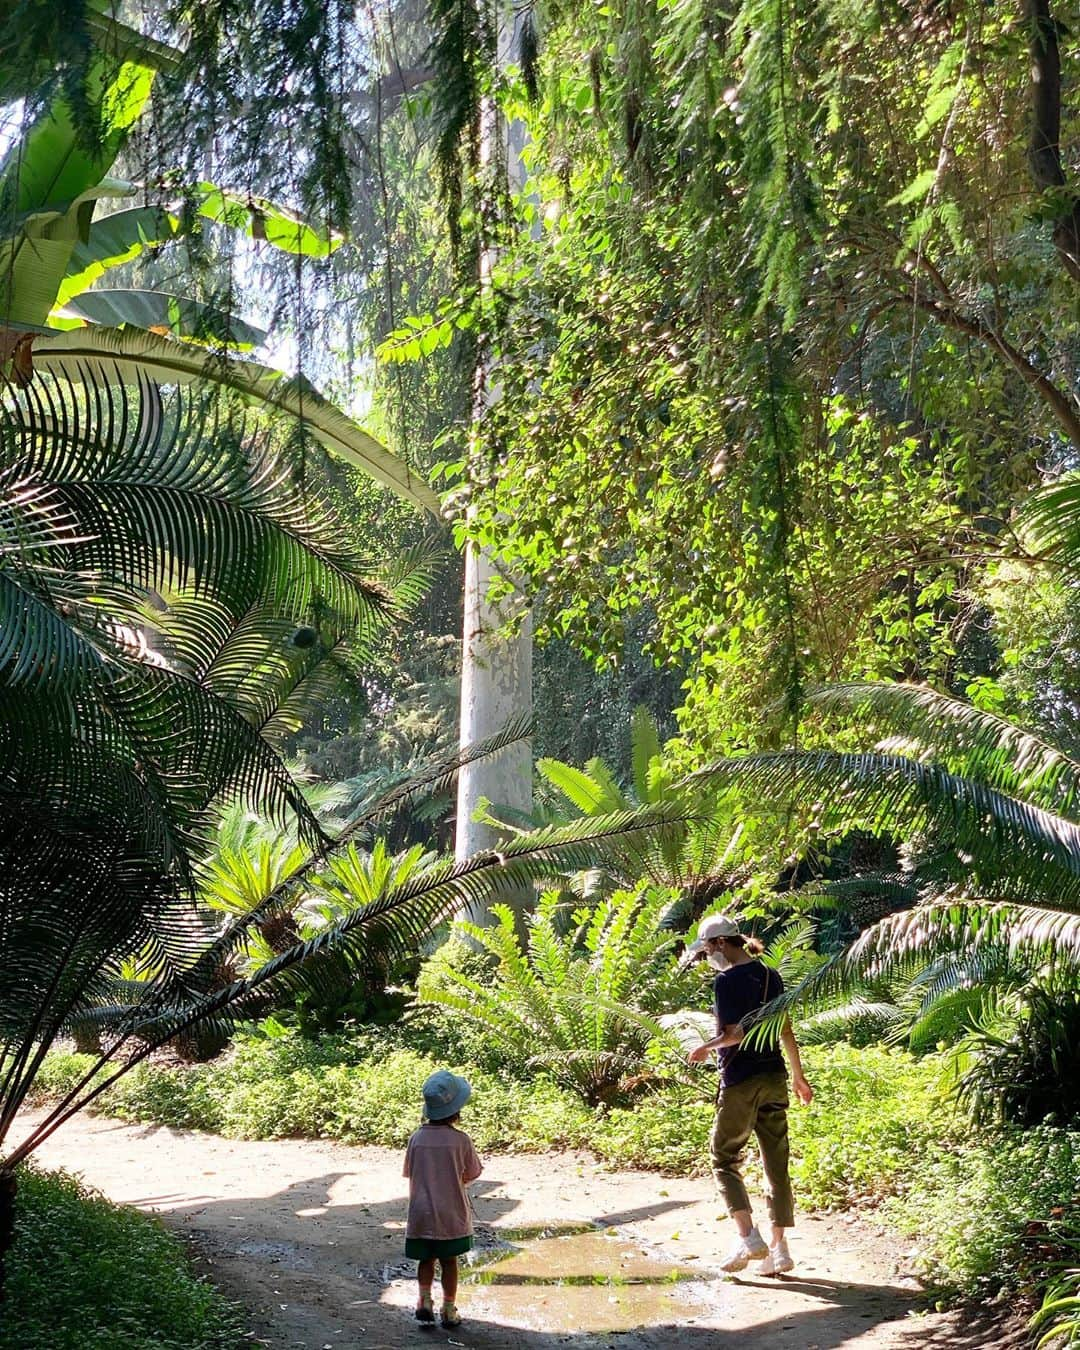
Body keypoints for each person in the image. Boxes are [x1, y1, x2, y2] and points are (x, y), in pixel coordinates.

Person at [686, 914, 813, 1276]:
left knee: (723, 1158)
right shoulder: (771, 975)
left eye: (708, 949)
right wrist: (799, 1077)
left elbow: (735, 1033)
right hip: (774, 1075)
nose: (707, 956)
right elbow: (784, 1028)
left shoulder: (726, 981)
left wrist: (705, 1047)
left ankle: (749, 1238)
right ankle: (780, 1250)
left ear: (722, 944)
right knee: (776, 1163)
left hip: (741, 1079)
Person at [403, 1069, 484, 1328]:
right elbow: (472, 1173)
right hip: (451, 1213)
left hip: (421, 1213)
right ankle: (449, 1308)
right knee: (450, 1262)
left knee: (425, 1260)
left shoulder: (416, 1139)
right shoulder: (461, 1141)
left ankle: (424, 1301)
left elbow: (409, 1172)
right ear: (456, 1110)